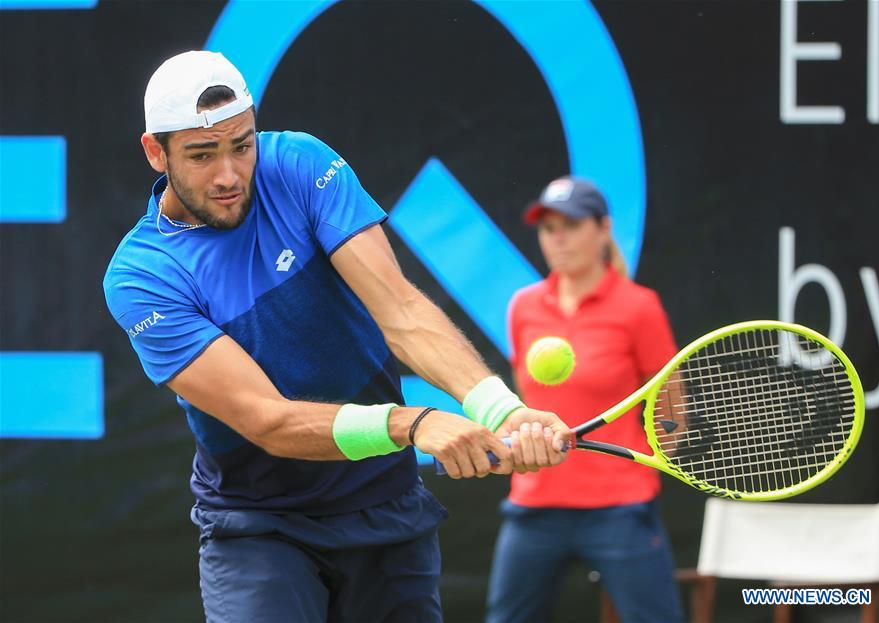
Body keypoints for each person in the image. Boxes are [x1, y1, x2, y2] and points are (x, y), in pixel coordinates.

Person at [103, 51, 571, 623]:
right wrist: (415, 422)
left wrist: (501, 410)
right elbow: (267, 419)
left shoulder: (301, 164)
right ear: (156, 151)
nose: (229, 174)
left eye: (242, 146)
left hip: (385, 507)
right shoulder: (142, 275)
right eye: (202, 155)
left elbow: (398, 310)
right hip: (260, 528)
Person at [485, 177, 683, 623]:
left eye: (570, 224)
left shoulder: (639, 307)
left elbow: (670, 404)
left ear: (602, 229)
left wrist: (650, 461)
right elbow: (524, 402)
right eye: (547, 227)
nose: (557, 238)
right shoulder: (523, 307)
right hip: (534, 505)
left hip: (619, 506)